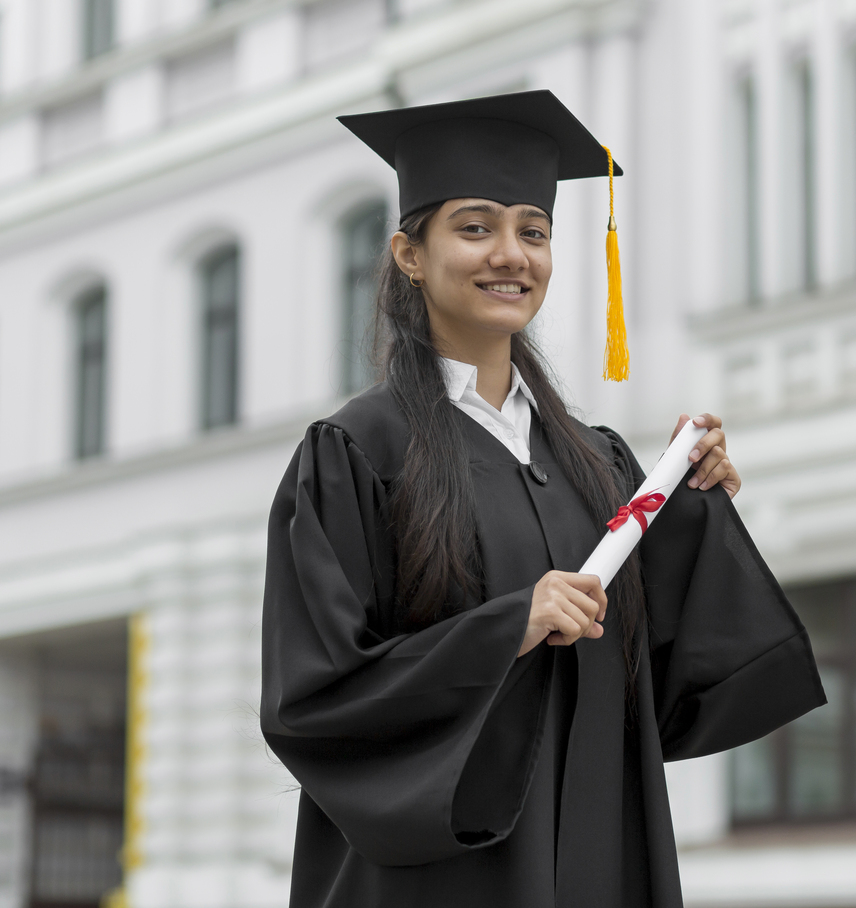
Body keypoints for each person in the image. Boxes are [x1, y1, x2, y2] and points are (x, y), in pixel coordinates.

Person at [259, 90, 825, 908]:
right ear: (410, 253)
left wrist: (692, 502)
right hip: (440, 878)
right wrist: (506, 629)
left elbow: (675, 680)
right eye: (476, 227)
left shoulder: (597, 462)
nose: (512, 255)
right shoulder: (356, 454)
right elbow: (313, 700)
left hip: (595, 857)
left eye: (534, 230)